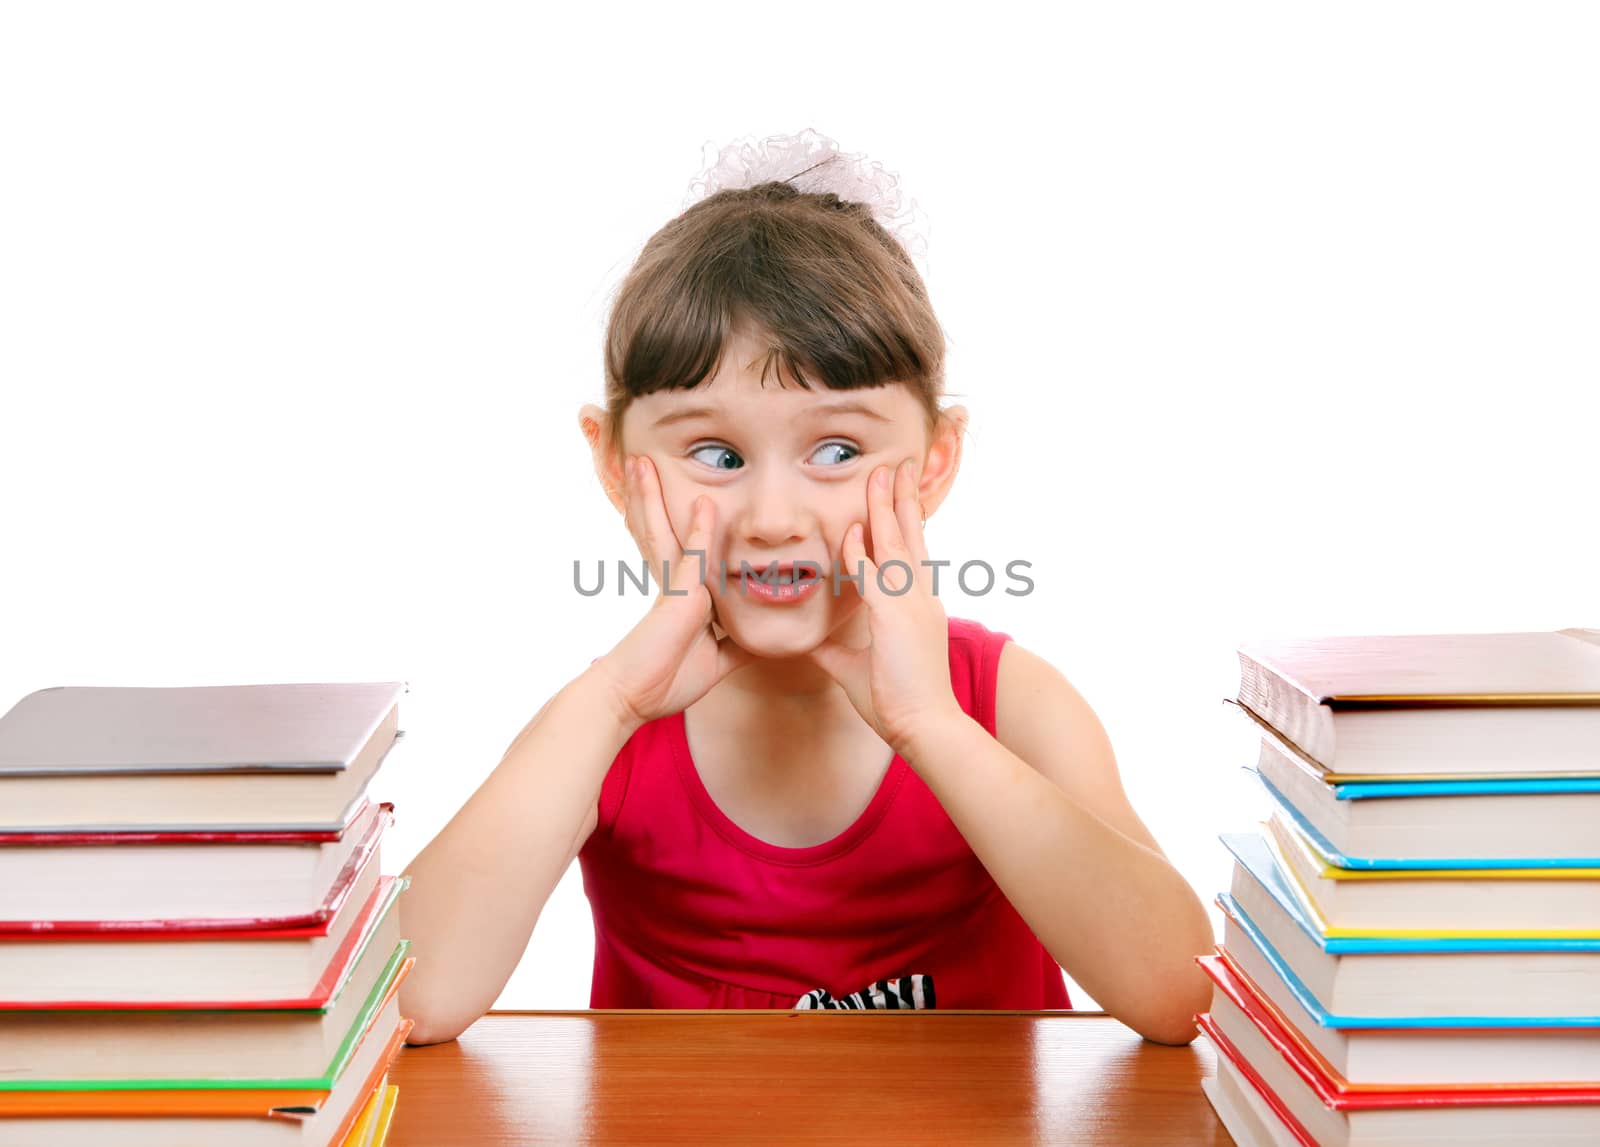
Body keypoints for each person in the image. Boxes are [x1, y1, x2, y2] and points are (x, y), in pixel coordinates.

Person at [399, 128, 1214, 1046]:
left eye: (837, 449)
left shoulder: (1007, 704)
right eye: (716, 453)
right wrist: (615, 697)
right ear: (621, 467)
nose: (774, 515)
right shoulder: (607, 727)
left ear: (934, 462)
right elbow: (414, 1000)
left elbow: (1180, 993)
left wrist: (931, 725)